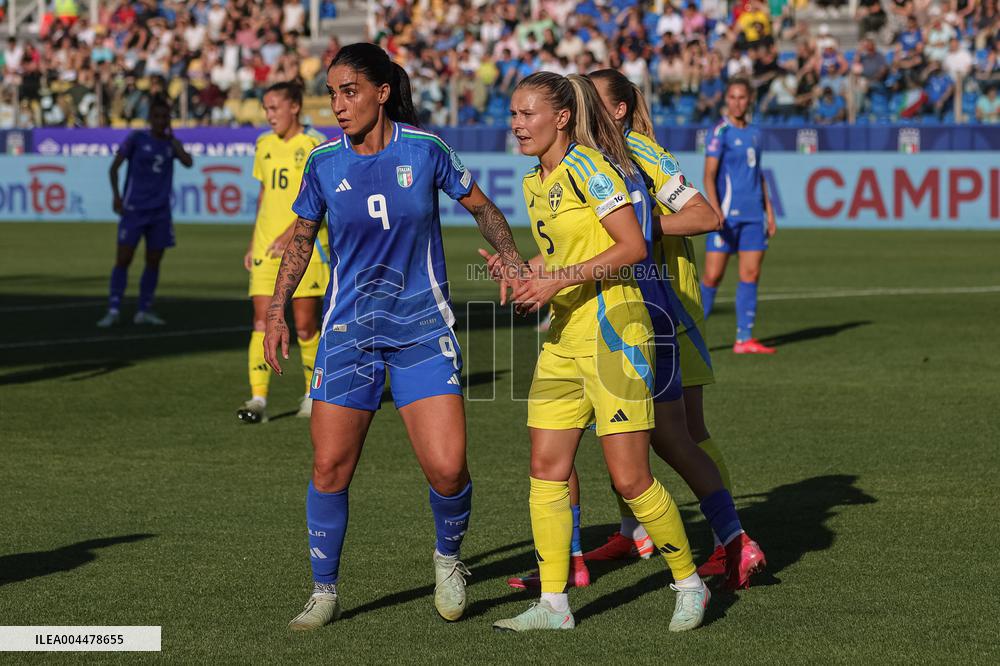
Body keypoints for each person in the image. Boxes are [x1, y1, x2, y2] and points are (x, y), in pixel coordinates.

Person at [262, 43, 526, 631]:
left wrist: (508, 256)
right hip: (349, 333)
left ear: (383, 92)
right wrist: (277, 311)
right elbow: (302, 239)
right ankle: (324, 590)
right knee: (330, 466)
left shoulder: (426, 149)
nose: (337, 104)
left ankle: (448, 560)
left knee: (449, 468)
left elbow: (481, 206)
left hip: (421, 332)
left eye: (349, 90)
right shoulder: (323, 162)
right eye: (331, 93)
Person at [489, 71, 710, 633]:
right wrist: (522, 272)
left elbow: (634, 245)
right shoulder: (536, 180)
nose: (516, 124)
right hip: (564, 338)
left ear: (562, 117)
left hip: (617, 330)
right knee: (546, 470)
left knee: (631, 478)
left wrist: (554, 278)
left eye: (527, 113)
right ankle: (554, 605)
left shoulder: (591, 167)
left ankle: (690, 583)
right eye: (512, 114)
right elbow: (564, 255)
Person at [237, 82, 328, 424]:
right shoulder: (263, 144)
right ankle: (258, 398)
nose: (269, 114)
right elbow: (263, 194)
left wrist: (292, 234)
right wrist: (253, 242)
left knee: (305, 326)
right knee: (262, 322)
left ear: (295, 107)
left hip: (307, 247)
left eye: (275, 107)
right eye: (266, 108)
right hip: (265, 248)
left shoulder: (315, 144)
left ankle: (311, 393)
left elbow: (321, 200)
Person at [97, 96, 193, 328]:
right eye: (157, 117)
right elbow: (114, 167)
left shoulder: (170, 143)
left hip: (160, 213)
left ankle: (144, 309)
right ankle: (113, 308)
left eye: (165, 117)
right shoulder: (137, 139)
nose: (160, 121)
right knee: (124, 259)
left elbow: (188, 162)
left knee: (153, 261)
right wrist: (117, 196)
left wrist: (174, 141)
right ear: (150, 119)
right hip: (134, 210)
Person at [700, 79, 778, 354]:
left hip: (754, 216)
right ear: (726, 100)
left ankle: (744, 339)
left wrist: (769, 211)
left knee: (750, 273)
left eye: (742, 97)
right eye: (732, 97)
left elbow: (759, 176)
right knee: (711, 277)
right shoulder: (720, 132)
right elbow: (709, 175)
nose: (737, 102)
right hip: (727, 217)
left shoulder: (756, 133)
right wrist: (715, 209)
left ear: (750, 100)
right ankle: (690, 336)